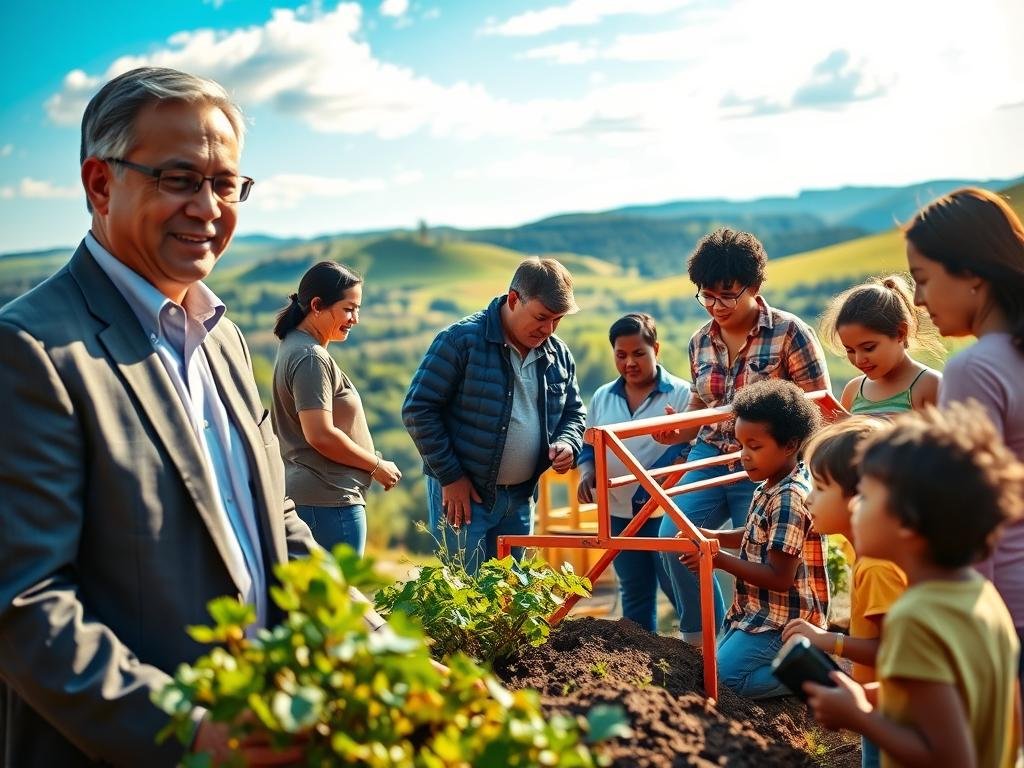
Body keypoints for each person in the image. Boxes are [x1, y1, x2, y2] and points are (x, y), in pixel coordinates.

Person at [0, 67, 329, 766]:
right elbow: (24, 606)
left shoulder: (223, 338)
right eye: (179, 179)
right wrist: (189, 733)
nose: (209, 208)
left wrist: (378, 649)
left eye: (225, 183)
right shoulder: (31, 351)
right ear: (99, 184)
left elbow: (281, 524)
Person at [804, 403, 1023, 768]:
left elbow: (952, 758)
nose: (855, 504)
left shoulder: (914, 617)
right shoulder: (981, 594)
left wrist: (859, 718)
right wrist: (864, 696)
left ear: (907, 522)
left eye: (868, 497)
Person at [655, 227, 831, 643]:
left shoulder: (790, 334)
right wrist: (679, 430)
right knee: (674, 541)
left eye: (727, 294)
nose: (715, 306)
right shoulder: (699, 341)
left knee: (762, 558)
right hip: (711, 453)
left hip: (771, 464)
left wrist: (808, 472)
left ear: (754, 286)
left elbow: (817, 408)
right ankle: (703, 641)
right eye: (706, 295)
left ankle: (780, 641)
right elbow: (703, 404)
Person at [904, 187, 1024, 687]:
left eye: (923, 279)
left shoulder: (974, 369)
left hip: (1009, 611)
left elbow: (969, 519)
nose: (917, 300)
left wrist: (969, 636)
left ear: (972, 272)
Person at [402, 258, 586, 575]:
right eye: (542, 317)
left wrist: (568, 443)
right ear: (514, 299)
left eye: (557, 321)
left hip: (520, 499)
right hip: (463, 498)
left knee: (511, 599)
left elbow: (573, 411)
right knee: (465, 598)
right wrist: (451, 476)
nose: (549, 329)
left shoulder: (558, 353)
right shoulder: (459, 341)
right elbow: (418, 409)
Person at [679, 379, 828, 699]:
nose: (744, 456)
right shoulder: (769, 485)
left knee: (723, 683)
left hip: (784, 619)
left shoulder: (790, 497)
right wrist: (716, 537)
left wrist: (717, 559)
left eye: (755, 447)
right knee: (710, 672)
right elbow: (756, 535)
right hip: (756, 611)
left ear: (790, 445)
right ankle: (793, 663)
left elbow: (780, 577)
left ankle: (811, 677)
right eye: (741, 445)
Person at [783, 417, 906, 768]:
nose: (807, 500)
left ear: (860, 497)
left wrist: (828, 641)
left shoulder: (878, 567)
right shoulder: (866, 553)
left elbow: (892, 652)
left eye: (819, 488)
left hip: (891, 712)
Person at [271, 261, 401, 556]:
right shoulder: (310, 357)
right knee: (338, 598)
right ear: (317, 305)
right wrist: (376, 466)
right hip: (328, 503)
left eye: (358, 309)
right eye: (348, 308)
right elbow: (320, 435)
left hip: (321, 500)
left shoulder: (295, 346)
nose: (355, 318)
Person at [576, 313, 691, 632]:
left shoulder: (682, 395)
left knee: (680, 588)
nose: (629, 362)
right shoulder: (602, 396)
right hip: (617, 509)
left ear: (656, 348)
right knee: (635, 591)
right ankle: (642, 666)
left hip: (665, 511)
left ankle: (703, 658)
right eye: (621, 355)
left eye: (639, 353)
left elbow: (690, 448)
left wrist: (654, 483)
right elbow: (589, 446)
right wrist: (588, 473)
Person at [820, 275, 942, 417]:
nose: (859, 360)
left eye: (869, 348)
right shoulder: (853, 391)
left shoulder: (930, 385)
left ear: (900, 333)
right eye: (850, 350)